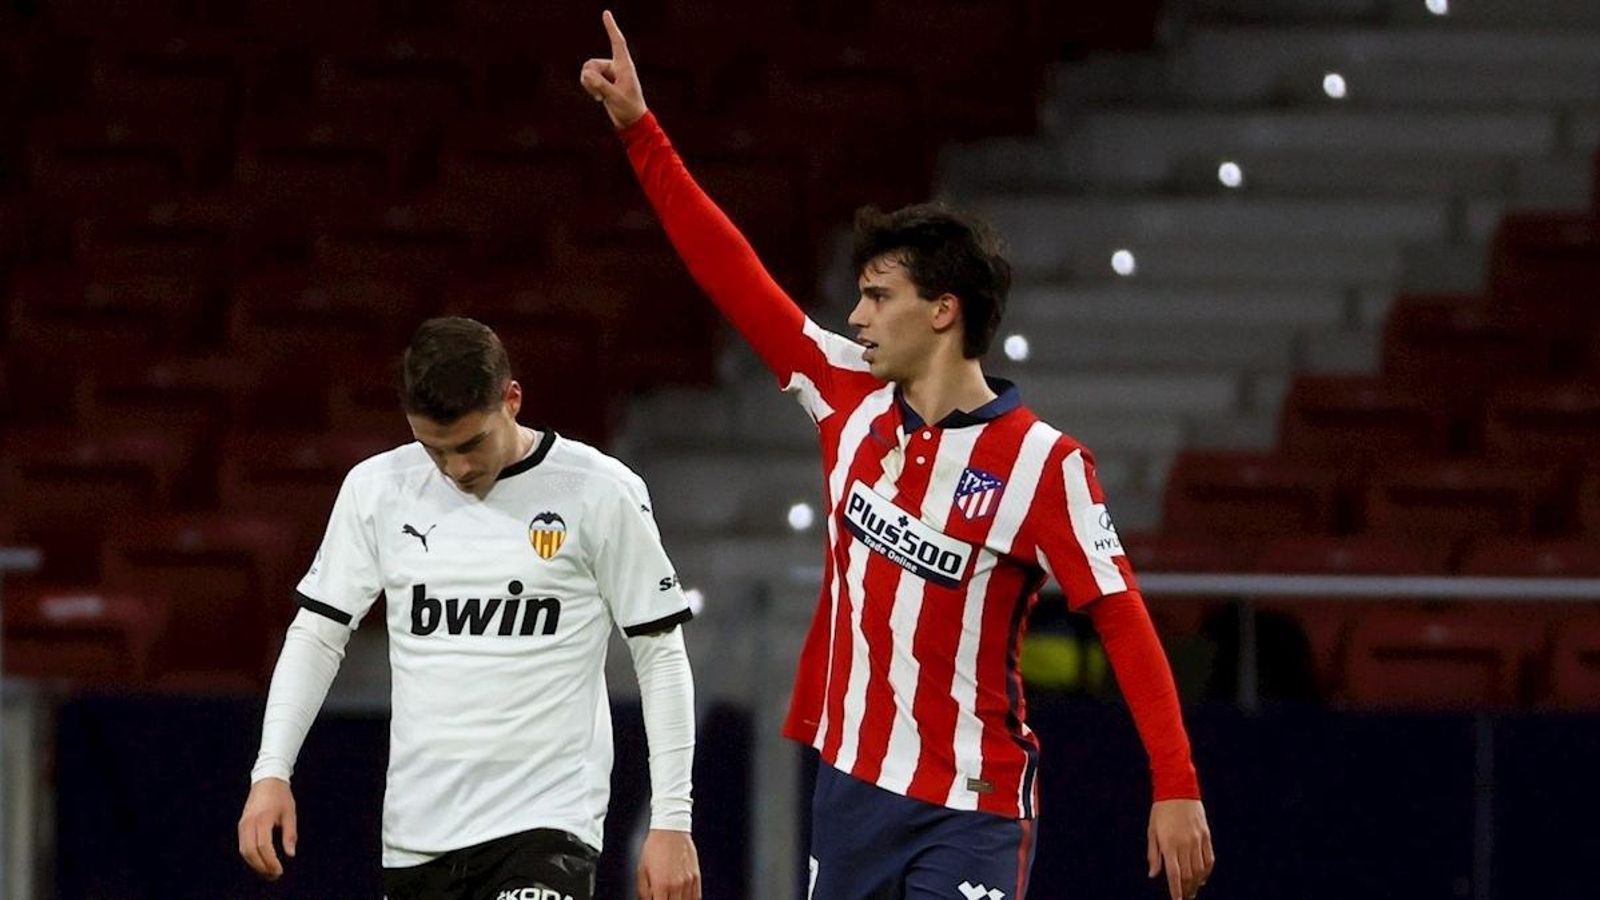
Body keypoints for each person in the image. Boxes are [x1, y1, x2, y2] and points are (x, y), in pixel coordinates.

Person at [581, 12, 1214, 900]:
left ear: (944, 310)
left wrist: (1176, 784)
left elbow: (1122, 619)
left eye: (879, 296)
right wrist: (641, 132)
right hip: (847, 789)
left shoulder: (1044, 463)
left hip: (972, 806)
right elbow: (732, 273)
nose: (857, 317)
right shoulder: (845, 394)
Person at [237, 316, 703, 900]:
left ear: (512, 399)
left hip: (546, 824)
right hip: (418, 835)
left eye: (470, 445)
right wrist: (271, 770)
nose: (456, 469)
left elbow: (659, 654)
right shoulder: (377, 489)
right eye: (434, 450)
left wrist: (672, 820)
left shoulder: (598, 490)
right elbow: (317, 635)